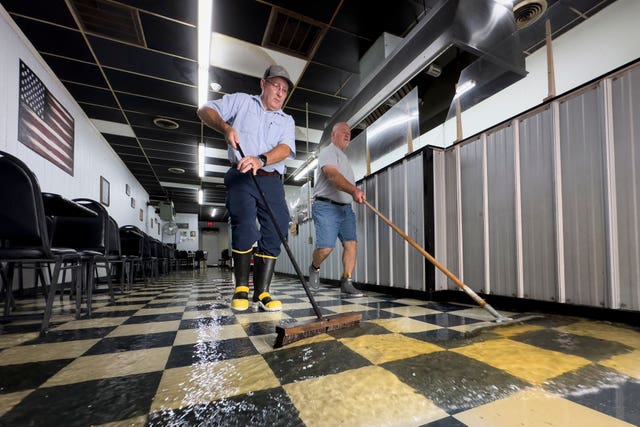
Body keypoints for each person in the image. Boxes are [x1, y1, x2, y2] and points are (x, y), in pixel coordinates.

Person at [197, 65, 296, 312]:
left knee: (278, 225)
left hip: (271, 178)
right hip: (241, 175)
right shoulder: (241, 102)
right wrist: (226, 127)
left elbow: (285, 149)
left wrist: (261, 159)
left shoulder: (286, 120)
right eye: (276, 86)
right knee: (245, 223)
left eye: (284, 90)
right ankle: (241, 286)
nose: (280, 93)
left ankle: (262, 291)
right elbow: (204, 110)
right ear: (263, 84)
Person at [308, 122, 365, 296]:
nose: (347, 135)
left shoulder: (344, 157)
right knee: (326, 248)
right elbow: (332, 176)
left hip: (345, 209)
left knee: (351, 245)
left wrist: (352, 194)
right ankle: (314, 267)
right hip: (326, 206)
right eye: (343, 132)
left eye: (349, 133)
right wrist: (354, 190)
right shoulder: (328, 152)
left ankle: (346, 281)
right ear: (333, 135)